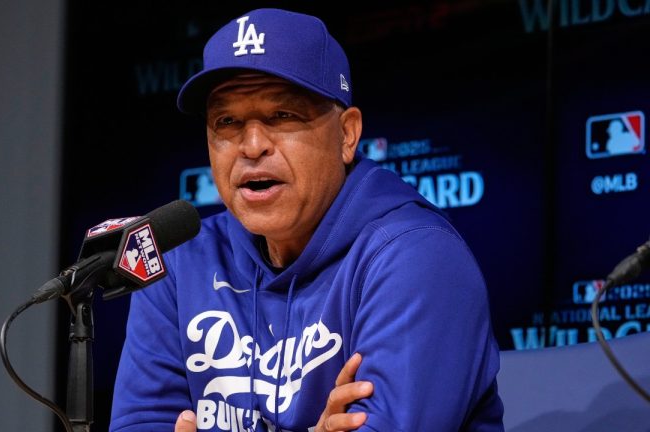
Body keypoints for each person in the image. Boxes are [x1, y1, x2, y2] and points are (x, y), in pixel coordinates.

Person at [110, 8, 503, 432]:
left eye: (283, 116)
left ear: (347, 135)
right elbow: (141, 422)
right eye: (227, 121)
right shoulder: (180, 262)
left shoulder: (416, 257)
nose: (253, 145)